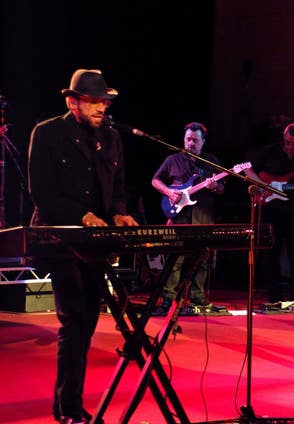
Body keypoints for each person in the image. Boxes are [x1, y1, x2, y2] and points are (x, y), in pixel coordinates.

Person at [28, 68, 139, 424]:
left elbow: (118, 188)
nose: (101, 108)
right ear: (72, 101)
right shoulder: (47, 133)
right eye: (94, 101)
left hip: (96, 244)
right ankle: (70, 408)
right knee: (75, 320)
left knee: (86, 322)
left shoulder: (111, 138)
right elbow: (42, 193)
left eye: (104, 102)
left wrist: (120, 213)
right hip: (59, 239)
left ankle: (66, 405)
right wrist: (82, 215)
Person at [244, 122, 294, 303]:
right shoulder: (269, 151)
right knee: (270, 254)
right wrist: (263, 185)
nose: (291, 147)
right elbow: (246, 169)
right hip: (271, 211)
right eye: (288, 142)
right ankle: (274, 296)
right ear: (284, 137)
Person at [151, 122, 223, 315]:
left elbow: (222, 188)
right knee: (175, 258)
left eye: (195, 140)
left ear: (203, 142)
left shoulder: (211, 162)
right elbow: (155, 180)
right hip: (179, 215)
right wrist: (168, 192)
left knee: (202, 258)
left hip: (203, 215)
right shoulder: (173, 159)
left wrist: (213, 187)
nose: (191, 143)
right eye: (188, 139)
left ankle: (198, 297)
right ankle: (167, 298)